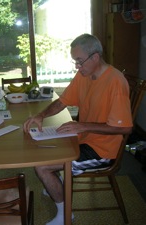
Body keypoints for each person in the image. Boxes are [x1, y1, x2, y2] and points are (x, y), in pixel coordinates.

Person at [23, 33, 133, 225]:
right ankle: (54, 185)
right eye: (75, 61)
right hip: (83, 138)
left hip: (103, 151)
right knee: (43, 150)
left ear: (95, 57)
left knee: (42, 166)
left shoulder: (116, 81)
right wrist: (41, 115)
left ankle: (65, 215)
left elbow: (125, 129)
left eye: (79, 61)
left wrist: (82, 125)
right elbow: (63, 101)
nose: (77, 66)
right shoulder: (85, 75)